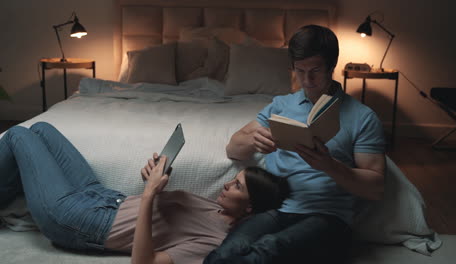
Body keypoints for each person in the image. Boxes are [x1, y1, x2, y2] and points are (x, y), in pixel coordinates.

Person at [203, 25, 387, 264]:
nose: (307, 80)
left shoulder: (363, 117)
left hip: (328, 218)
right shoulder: (280, 106)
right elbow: (233, 149)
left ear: (332, 66)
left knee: (266, 249)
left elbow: (376, 188)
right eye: (300, 71)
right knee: (226, 253)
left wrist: (329, 166)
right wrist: (254, 140)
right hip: (277, 210)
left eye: (315, 71)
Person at [0, 122, 289, 264]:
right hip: (102, 196)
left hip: (79, 220)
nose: (226, 185)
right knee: (41, 128)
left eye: (237, 186)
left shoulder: (215, 242)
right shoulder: (218, 206)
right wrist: (156, 177)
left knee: (17, 134)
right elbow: (169, 212)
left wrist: (149, 193)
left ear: (250, 209)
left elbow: (144, 263)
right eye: (233, 180)